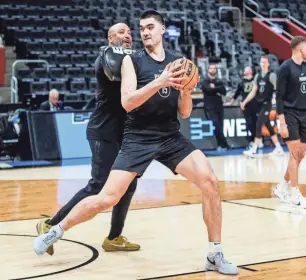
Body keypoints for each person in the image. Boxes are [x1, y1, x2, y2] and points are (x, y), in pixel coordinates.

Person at [33, 10, 238, 275]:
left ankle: (215, 253)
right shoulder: (133, 61)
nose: (144, 32)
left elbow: (185, 112)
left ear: (163, 29)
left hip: (169, 136)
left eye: (150, 27)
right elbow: (127, 102)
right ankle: (55, 230)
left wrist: (186, 91)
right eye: (141, 28)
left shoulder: (178, 62)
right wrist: (160, 81)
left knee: (210, 182)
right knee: (106, 196)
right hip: (138, 137)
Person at [35, 23, 140, 256]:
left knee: (129, 184)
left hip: (123, 132)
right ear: (110, 38)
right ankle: (50, 225)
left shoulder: (133, 62)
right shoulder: (106, 58)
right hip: (103, 131)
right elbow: (118, 73)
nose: (127, 36)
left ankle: (114, 237)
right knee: (98, 185)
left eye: (130, 33)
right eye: (121, 33)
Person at [273, 36, 306, 207]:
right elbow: (279, 97)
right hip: (290, 114)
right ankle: (295, 193)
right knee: (294, 154)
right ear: (301, 49)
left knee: (300, 155)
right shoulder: (285, 68)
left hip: (304, 114)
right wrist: (282, 122)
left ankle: (282, 187)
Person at [241, 56, 284, 157]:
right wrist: (244, 102)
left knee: (258, 124)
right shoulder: (257, 76)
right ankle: (278, 148)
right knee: (268, 125)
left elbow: (279, 89)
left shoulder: (271, 75)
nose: (263, 64)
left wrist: (278, 99)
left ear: (268, 64)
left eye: (265, 62)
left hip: (267, 104)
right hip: (259, 104)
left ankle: (254, 149)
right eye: (261, 62)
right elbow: (253, 91)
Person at [229, 66, 263, 147]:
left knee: (256, 123)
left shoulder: (255, 80)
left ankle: (258, 140)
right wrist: (231, 102)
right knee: (249, 123)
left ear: (250, 71)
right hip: (246, 105)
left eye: (246, 69)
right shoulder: (242, 81)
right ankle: (253, 140)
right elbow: (237, 92)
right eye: (244, 69)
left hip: (255, 104)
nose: (244, 70)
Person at [201, 63, 230, 151]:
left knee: (220, 126)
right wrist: (217, 89)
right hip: (210, 107)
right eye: (211, 68)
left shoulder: (219, 81)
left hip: (219, 106)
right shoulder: (205, 81)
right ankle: (224, 144)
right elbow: (208, 89)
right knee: (216, 124)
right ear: (208, 70)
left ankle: (220, 145)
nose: (212, 70)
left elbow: (224, 91)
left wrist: (215, 88)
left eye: (214, 68)